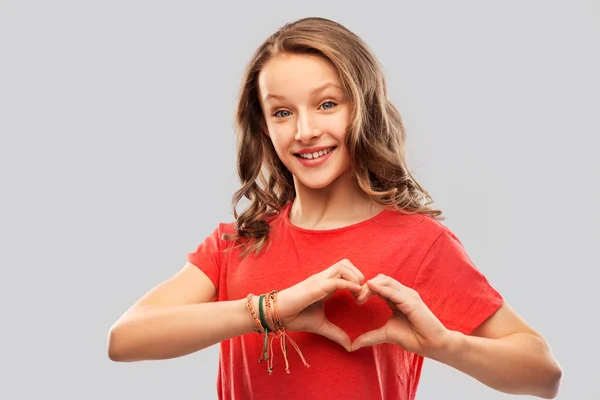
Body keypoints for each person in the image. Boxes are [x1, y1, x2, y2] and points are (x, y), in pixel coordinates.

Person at [107, 16, 562, 400]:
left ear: (361, 110)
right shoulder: (239, 243)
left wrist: (444, 344)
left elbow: (543, 374)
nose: (305, 130)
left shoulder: (418, 242)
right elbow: (125, 339)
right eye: (282, 112)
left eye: (327, 104)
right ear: (264, 128)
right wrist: (273, 308)